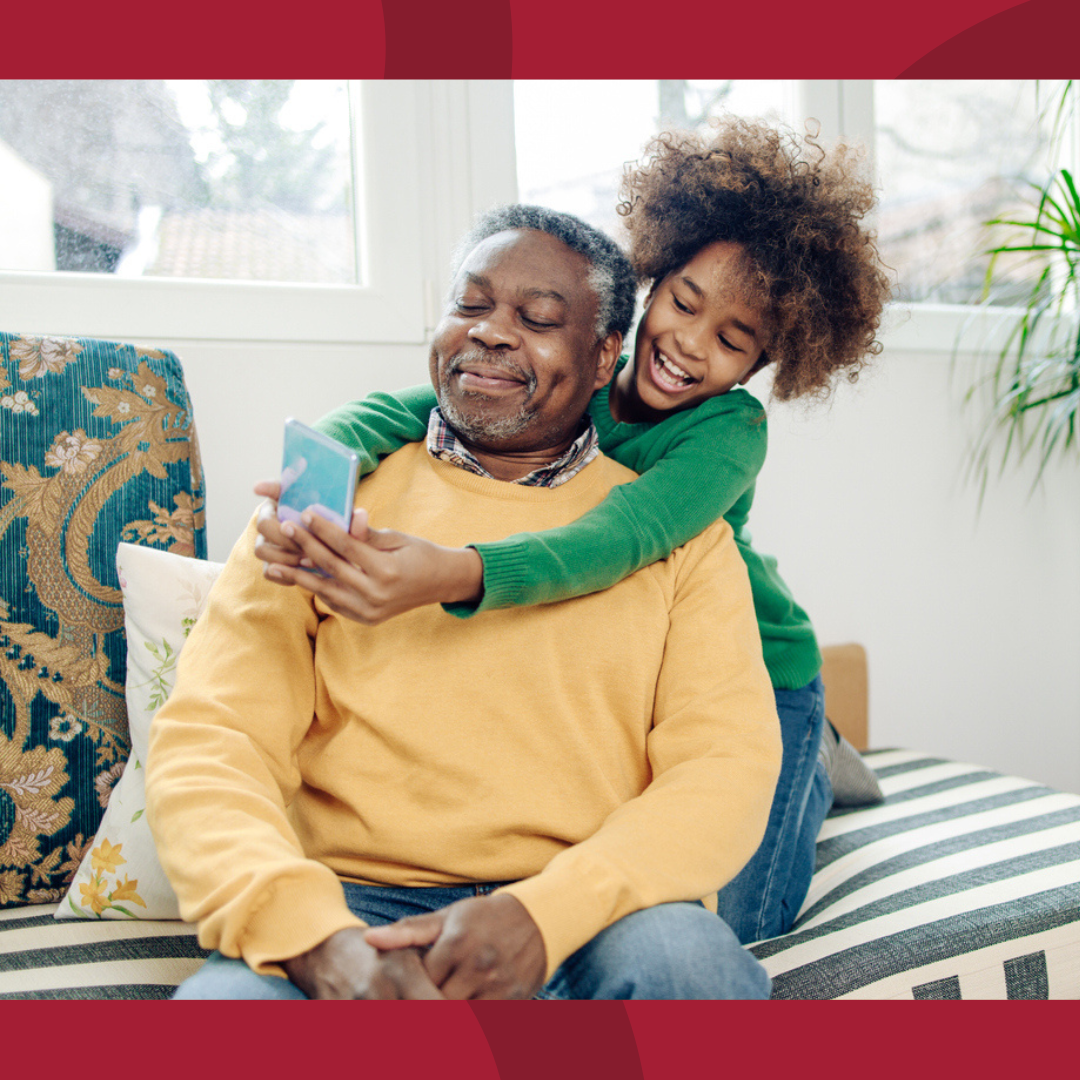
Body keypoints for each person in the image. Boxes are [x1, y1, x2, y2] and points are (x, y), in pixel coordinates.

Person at [254, 117, 892, 945]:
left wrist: (455, 573)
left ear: (763, 367)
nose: (689, 345)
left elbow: (622, 535)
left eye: (732, 340)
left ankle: (814, 758)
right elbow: (405, 408)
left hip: (764, 675)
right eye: (684, 304)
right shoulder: (579, 374)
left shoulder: (728, 433)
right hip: (659, 663)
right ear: (650, 282)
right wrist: (310, 477)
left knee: (738, 923)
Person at [145, 206, 783, 1000]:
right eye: (470, 306)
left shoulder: (678, 536)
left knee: (691, 967)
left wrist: (541, 916)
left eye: (539, 318)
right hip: (352, 908)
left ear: (603, 357)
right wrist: (318, 942)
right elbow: (215, 739)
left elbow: (723, 771)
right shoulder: (323, 505)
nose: (491, 333)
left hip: (586, 912)